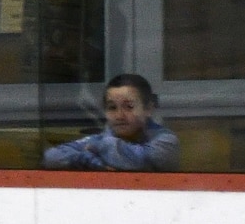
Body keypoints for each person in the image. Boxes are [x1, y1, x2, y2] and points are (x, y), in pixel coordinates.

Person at [43, 74, 180, 172]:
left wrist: (100, 147)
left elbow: (138, 161)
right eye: (112, 108)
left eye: (129, 107)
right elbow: (52, 156)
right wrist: (92, 162)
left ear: (148, 109)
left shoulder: (165, 140)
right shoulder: (100, 139)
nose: (119, 116)